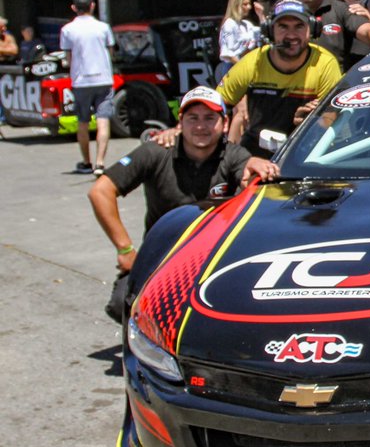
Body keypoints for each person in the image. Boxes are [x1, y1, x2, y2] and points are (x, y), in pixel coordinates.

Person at [89, 86, 278, 322]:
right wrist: (125, 249)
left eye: (210, 118)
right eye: (193, 118)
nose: (200, 126)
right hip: (162, 257)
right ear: (180, 122)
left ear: (225, 123)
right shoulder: (155, 152)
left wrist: (256, 164)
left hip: (216, 257)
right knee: (122, 305)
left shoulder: (234, 154)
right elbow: (101, 191)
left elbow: (247, 168)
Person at [215, 0, 343, 156]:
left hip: (305, 151)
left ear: (312, 30)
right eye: (283, 27)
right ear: (269, 30)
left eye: (299, 27)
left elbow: (333, 119)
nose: (291, 35)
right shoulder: (253, 62)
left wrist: (311, 123)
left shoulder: (325, 63)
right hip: (255, 152)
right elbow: (215, 106)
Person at [60, 0, 116, 175]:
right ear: (93, 5)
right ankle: (100, 163)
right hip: (103, 79)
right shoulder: (103, 27)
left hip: (80, 80)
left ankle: (86, 161)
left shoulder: (67, 29)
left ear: (74, 8)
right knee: (103, 120)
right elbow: (111, 51)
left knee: (82, 122)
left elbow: (67, 57)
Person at [215, 0, 259, 84]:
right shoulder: (229, 24)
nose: (249, 7)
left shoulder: (247, 24)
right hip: (233, 67)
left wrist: (261, 15)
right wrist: (243, 67)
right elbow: (228, 53)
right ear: (236, 6)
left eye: (249, 4)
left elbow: (261, 35)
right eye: (245, 4)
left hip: (247, 65)